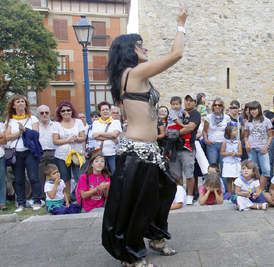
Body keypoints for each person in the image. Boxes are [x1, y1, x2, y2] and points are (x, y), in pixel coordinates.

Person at [102, 4, 188, 266]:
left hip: (148, 150)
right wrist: (181, 23)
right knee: (138, 204)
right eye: (141, 46)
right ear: (130, 51)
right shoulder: (134, 73)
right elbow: (176, 54)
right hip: (138, 151)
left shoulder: (129, 76)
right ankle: (130, 256)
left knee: (163, 195)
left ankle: (157, 238)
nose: (145, 48)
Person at [4, 95, 42, 212]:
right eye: (18, 102)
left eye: (22, 101)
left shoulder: (32, 119)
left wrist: (25, 131)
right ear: (13, 105)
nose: (21, 103)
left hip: (30, 152)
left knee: (33, 177)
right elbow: (7, 137)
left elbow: (36, 134)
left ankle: (37, 201)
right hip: (16, 153)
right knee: (19, 179)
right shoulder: (10, 120)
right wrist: (19, 133)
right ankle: (21, 203)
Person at [169, 94, 201, 205]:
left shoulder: (195, 114)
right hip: (174, 148)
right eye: (186, 100)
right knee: (176, 175)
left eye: (191, 101)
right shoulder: (178, 111)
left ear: (195, 103)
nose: (188, 102)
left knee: (189, 174)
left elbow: (190, 128)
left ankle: (190, 196)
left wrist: (172, 134)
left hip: (187, 148)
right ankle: (179, 196)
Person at [52, 101, 86, 202]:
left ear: (72, 111)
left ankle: (80, 199)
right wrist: (68, 140)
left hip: (77, 155)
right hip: (62, 155)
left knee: (79, 177)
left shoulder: (78, 122)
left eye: (68, 110)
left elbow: (83, 138)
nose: (66, 112)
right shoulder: (56, 124)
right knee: (65, 179)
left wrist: (76, 139)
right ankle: (67, 200)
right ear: (60, 112)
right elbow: (55, 141)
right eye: (63, 111)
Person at [203, 97, 231, 189]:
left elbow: (229, 131)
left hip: (223, 144)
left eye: (219, 105)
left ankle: (224, 190)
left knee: (224, 168)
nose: (217, 107)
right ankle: (212, 188)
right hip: (212, 144)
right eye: (215, 105)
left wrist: (228, 141)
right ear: (213, 106)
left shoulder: (227, 118)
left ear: (222, 106)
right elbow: (204, 130)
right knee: (213, 168)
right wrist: (206, 140)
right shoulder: (209, 117)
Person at [243, 101, 272, 191]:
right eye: (251, 110)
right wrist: (247, 143)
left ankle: (261, 190)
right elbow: (245, 136)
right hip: (251, 149)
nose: (253, 112)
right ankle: (254, 190)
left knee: (266, 170)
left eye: (255, 109)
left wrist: (266, 146)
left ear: (259, 110)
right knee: (253, 171)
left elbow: (270, 136)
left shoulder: (266, 121)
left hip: (262, 148)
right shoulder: (248, 122)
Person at [91, 101, 122, 175]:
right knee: (101, 173)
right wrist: (111, 137)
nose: (105, 111)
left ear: (110, 110)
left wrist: (100, 133)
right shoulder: (96, 123)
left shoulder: (116, 122)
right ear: (100, 112)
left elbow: (115, 134)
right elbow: (95, 137)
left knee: (114, 173)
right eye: (103, 110)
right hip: (100, 153)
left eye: (107, 109)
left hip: (113, 153)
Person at [37, 105, 56, 200]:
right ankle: (42, 197)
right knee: (40, 176)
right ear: (38, 115)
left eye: (46, 112)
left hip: (53, 152)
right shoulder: (35, 126)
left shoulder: (55, 125)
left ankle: (54, 195)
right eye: (42, 113)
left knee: (54, 175)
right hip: (40, 153)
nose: (44, 115)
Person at [220, 125, 242, 195]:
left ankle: (236, 194)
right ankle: (230, 194)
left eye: (236, 130)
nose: (236, 131)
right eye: (234, 130)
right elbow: (222, 153)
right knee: (229, 179)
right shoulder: (225, 142)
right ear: (229, 132)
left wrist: (235, 154)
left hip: (236, 162)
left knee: (236, 178)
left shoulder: (238, 142)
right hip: (228, 162)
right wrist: (229, 153)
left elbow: (240, 153)